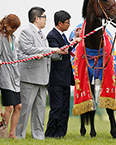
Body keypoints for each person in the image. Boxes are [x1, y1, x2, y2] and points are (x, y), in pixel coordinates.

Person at [16, 7, 65, 140]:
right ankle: (18, 135)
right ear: (37, 18)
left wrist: (59, 53)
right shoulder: (26, 32)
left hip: (43, 77)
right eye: (44, 17)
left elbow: (45, 54)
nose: (46, 20)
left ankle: (38, 135)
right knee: (25, 109)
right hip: (30, 78)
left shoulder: (41, 34)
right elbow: (29, 49)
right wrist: (53, 49)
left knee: (40, 109)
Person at [45, 10, 81, 138]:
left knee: (65, 109)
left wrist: (73, 40)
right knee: (57, 108)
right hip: (55, 79)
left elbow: (67, 47)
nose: (69, 25)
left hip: (65, 78)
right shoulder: (51, 36)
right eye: (67, 22)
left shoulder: (63, 36)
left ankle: (61, 134)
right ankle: (50, 134)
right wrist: (73, 41)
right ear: (59, 23)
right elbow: (60, 51)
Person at [0, 14, 22, 139]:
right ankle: (3, 132)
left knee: (18, 106)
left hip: (15, 75)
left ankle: (12, 134)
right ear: (5, 24)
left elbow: (17, 55)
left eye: (16, 28)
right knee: (9, 107)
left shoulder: (13, 39)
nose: (13, 30)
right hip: (4, 75)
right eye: (12, 27)